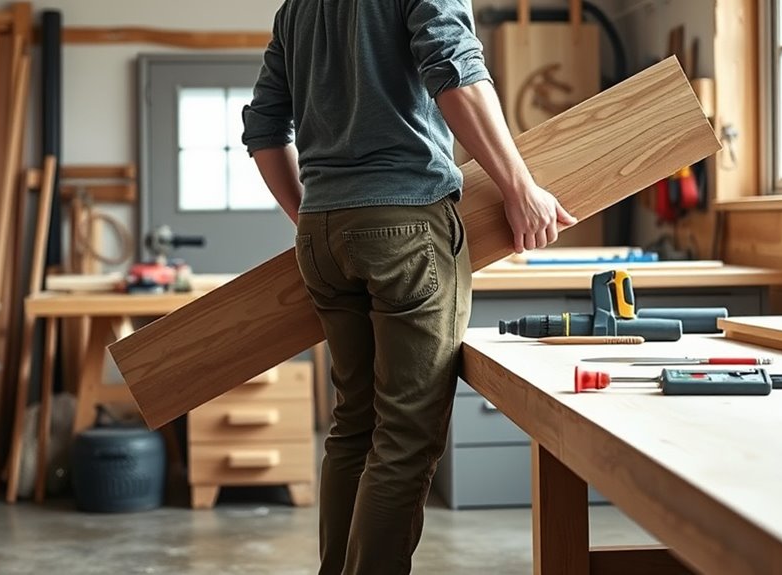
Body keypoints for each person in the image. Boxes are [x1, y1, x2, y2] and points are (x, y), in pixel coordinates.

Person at [242, 1, 576, 573]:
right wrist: (520, 188)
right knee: (403, 438)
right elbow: (453, 68)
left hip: (322, 234)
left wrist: (312, 221)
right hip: (405, 224)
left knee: (354, 426)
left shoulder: (296, 6)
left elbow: (264, 128)